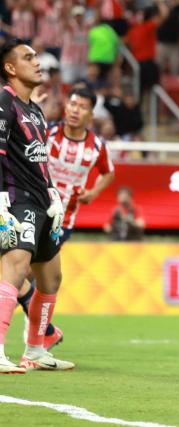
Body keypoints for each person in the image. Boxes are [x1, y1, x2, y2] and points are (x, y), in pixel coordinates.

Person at [16, 86, 116, 350]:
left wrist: (93, 192)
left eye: (82, 107)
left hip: (63, 221)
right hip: (32, 208)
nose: (75, 110)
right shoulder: (47, 133)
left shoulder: (97, 147)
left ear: (91, 114)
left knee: (29, 274)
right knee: (20, 272)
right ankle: (43, 333)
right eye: (72, 104)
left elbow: (109, 173)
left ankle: (38, 337)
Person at [0, 38, 74, 373]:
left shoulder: (35, 111)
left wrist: (53, 193)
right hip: (17, 199)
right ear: (10, 68)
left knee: (51, 278)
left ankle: (35, 350)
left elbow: (39, 159)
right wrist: (1, 200)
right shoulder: (4, 101)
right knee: (15, 270)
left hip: (41, 200)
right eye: (28, 57)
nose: (37, 61)